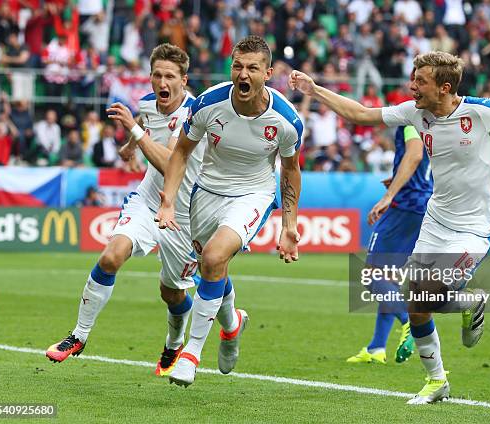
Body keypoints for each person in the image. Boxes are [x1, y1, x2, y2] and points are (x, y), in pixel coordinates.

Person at [289, 51, 490, 403]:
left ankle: (469, 303)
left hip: (474, 228)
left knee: (429, 290)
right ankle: (437, 381)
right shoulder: (415, 111)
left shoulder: (479, 111)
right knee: (417, 303)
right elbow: (361, 114)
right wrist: (315, 89)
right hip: (435, 220)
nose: (412, 86)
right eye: (414, 78)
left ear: (444, 88)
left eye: (421, 81)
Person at [46, 44, 206, 378]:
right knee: (110, 257)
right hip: (149, 200)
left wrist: (133, 131)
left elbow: (169, 163)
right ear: (150, 77)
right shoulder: (148, 104)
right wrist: (130, 146)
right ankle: (79, 335)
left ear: (184, 80)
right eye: (157, 75)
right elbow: (147, 128)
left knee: (172, 292)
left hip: (184, 211)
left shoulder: (196, 114)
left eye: (170, 76)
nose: (162, 82)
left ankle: (175, 344)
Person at [155, 35, 303, 387]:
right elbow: (181, 152)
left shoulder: (286, 120)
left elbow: (291, 169)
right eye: (238, 66)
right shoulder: (208, 104)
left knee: (213, 257)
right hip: (207, 190)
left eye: (252, 68)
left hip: (253, 193)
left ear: (267, 73)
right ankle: (232, 323)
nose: (243, 74)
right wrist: (168, 201)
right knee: (211, 264)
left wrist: (289, 226)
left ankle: (191, 353)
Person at [347, 124, 431, 366]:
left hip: (404, 207)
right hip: (423, 206)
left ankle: (409, 321)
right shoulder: (437, 125)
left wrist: (390, 195)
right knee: (389, 280)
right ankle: (376, 347)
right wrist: (398, 179)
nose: (413, 85)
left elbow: (414, 154)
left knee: (371, 277)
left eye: (418, 82)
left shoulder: (411, 123)